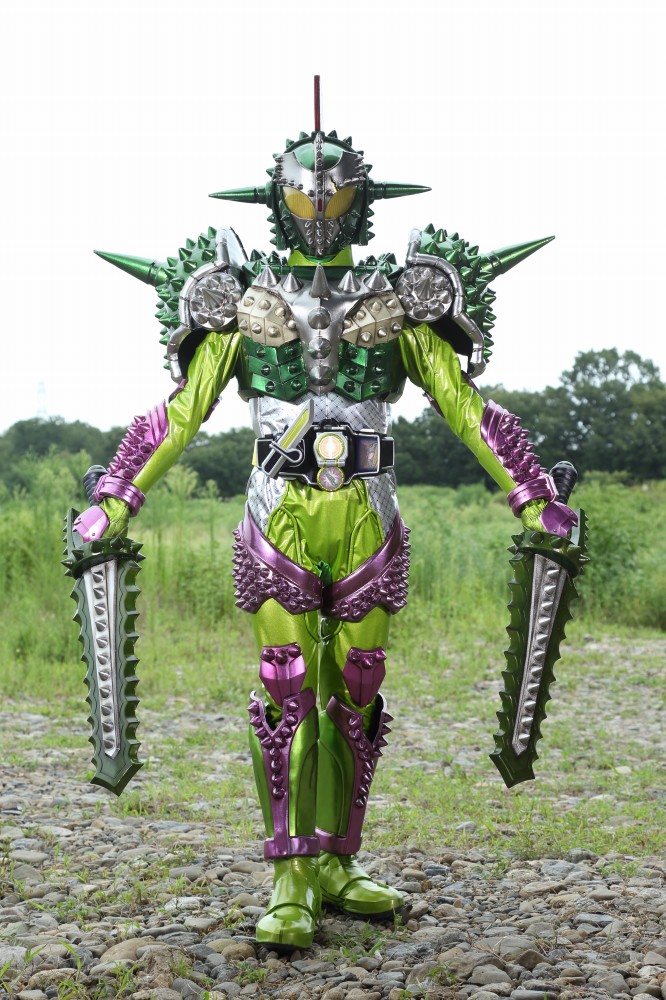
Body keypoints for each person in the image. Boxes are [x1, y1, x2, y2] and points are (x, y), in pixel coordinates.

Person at [73, 91, 576, 950]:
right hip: (280, 514)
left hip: (370, 516)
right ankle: (290, 877)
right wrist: (116, 493)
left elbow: (464, 406)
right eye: (302, 191)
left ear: (359, 195)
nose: (316, 204)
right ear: (276, 198)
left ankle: (339, 859)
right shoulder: (243, 302)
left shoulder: (400, 301)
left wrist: (532, 490)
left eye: (332, 188)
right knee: (286, 687)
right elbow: (182, 411)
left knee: (359, 687)